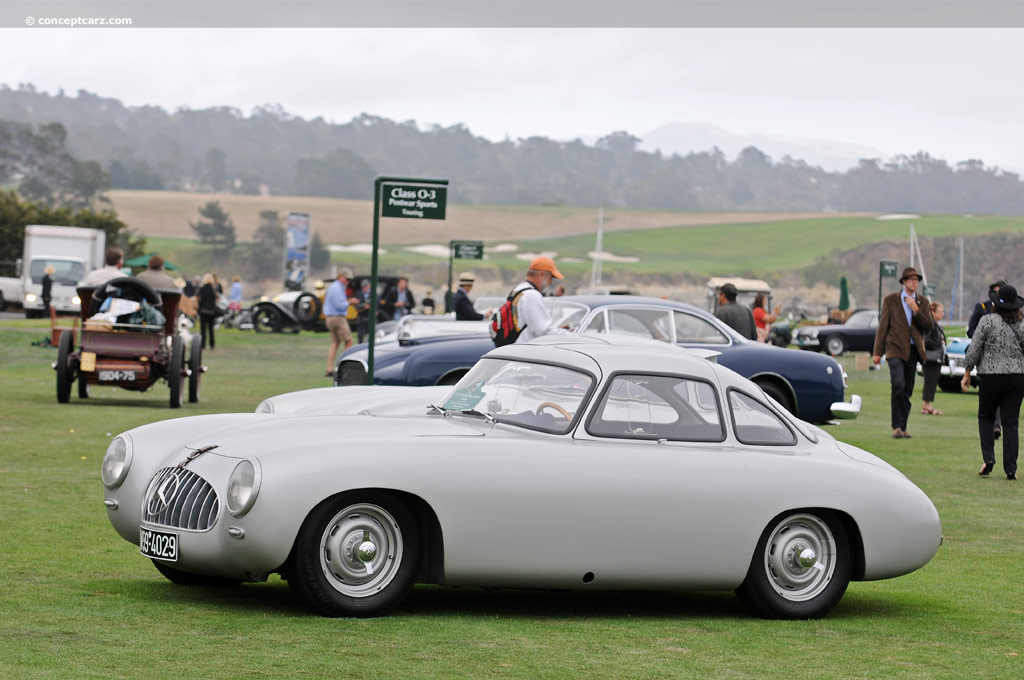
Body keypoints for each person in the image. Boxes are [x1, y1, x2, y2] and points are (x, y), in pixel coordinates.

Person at [961, 283, 1024, 480]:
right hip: (1016, 377)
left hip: (990, 376)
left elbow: (974, 349)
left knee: (986, 417)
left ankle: (988, 459)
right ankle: (1011, 468)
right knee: (1011, 422)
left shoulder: (987, 321)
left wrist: (967, 371)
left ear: (996, 303)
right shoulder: (1022, 325)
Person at [872, 267, 933, 439]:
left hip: (913, 351)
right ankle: (896, 426)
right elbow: (883, 326)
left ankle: (903, 427)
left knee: (907, 389)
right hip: (894, 349)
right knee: (897, 384)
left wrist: (916, 310)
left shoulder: (923, 302)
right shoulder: (891, 300)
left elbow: (928, 326)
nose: (914, 282)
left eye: (916, 279)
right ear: (904, 282)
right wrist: (878, 352)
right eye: (911, 279)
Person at [512, 256, 569, 343]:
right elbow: (543, 331)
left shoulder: (519, 289)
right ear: (542, 275)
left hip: (513, 346)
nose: (550, 283)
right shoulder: (532, 295)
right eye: (551, 278)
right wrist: (568, 334)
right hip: (524, 350)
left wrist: (556, 330)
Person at [324, 268, 359, 377]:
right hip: (337, 318)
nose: (347, 282)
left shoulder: (334, 287)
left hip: (330, 317)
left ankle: (329, 369)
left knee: (335, 342)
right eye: (346, 279)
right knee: (348, 341)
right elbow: (339, 305)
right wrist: (350, 302)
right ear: (340, 277)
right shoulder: (337, 288)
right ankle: (343, 368)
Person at [920, 302, 947, 416]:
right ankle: (927, 405)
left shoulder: (935, 324)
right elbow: (925, 340)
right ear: (933, 312)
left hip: (937, 357)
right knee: (930, 381)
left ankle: (927, 405)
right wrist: (938, 344)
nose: (942, 314)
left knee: (933, 380)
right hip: (931, 357)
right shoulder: (929, 324)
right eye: (940, 311)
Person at [197, 273, 219, 350]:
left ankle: (203, 345)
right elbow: (216, 300)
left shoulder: (202, 289)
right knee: (211, 329)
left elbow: (199, 299)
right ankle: (212, 344)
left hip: (203, 311)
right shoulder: (213, 289)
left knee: (203, 330)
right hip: (211, 312)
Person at [355, 279, 373, 343]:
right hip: (361, 316)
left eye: (366, 286)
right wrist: (363, 306)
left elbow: (378, 303)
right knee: (360, 335)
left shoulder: (373, 294)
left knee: (370, 333)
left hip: (370, 316)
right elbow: (356, 305)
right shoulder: (359, 294)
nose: (364, 288)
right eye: (363, 287)